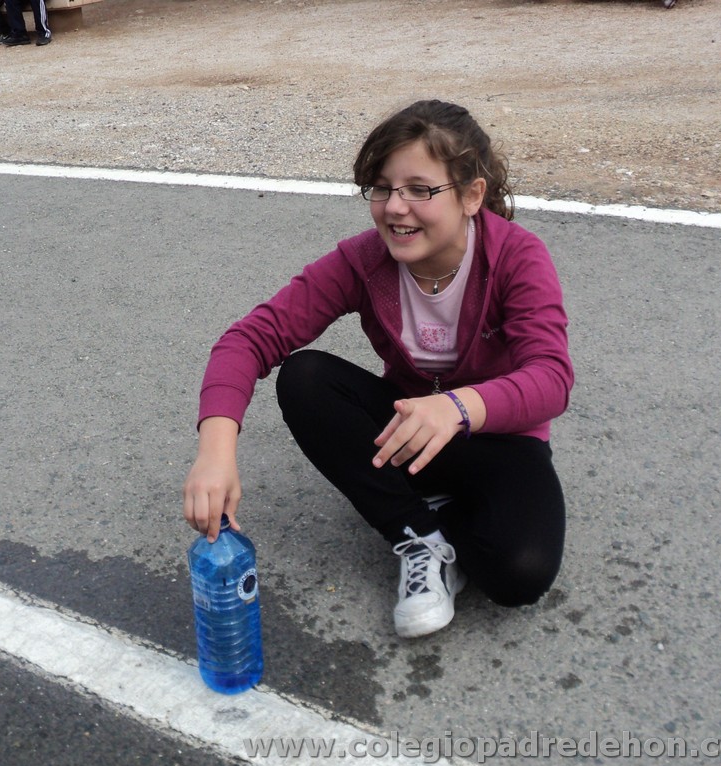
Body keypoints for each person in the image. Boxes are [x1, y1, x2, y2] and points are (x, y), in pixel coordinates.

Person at [183, 100, 573, 638]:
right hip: (406, 435)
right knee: (307, 377)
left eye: (420, 189)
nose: (396, 207)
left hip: (499, 437)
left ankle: (435, 507)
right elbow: (250, 338)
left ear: (471, 196)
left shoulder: (517, 257)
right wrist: (215, 453)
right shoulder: (363, 260)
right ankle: (418, 535)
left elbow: (551, 378)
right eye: (383, 187)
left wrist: (457, 406)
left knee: (518, 574)